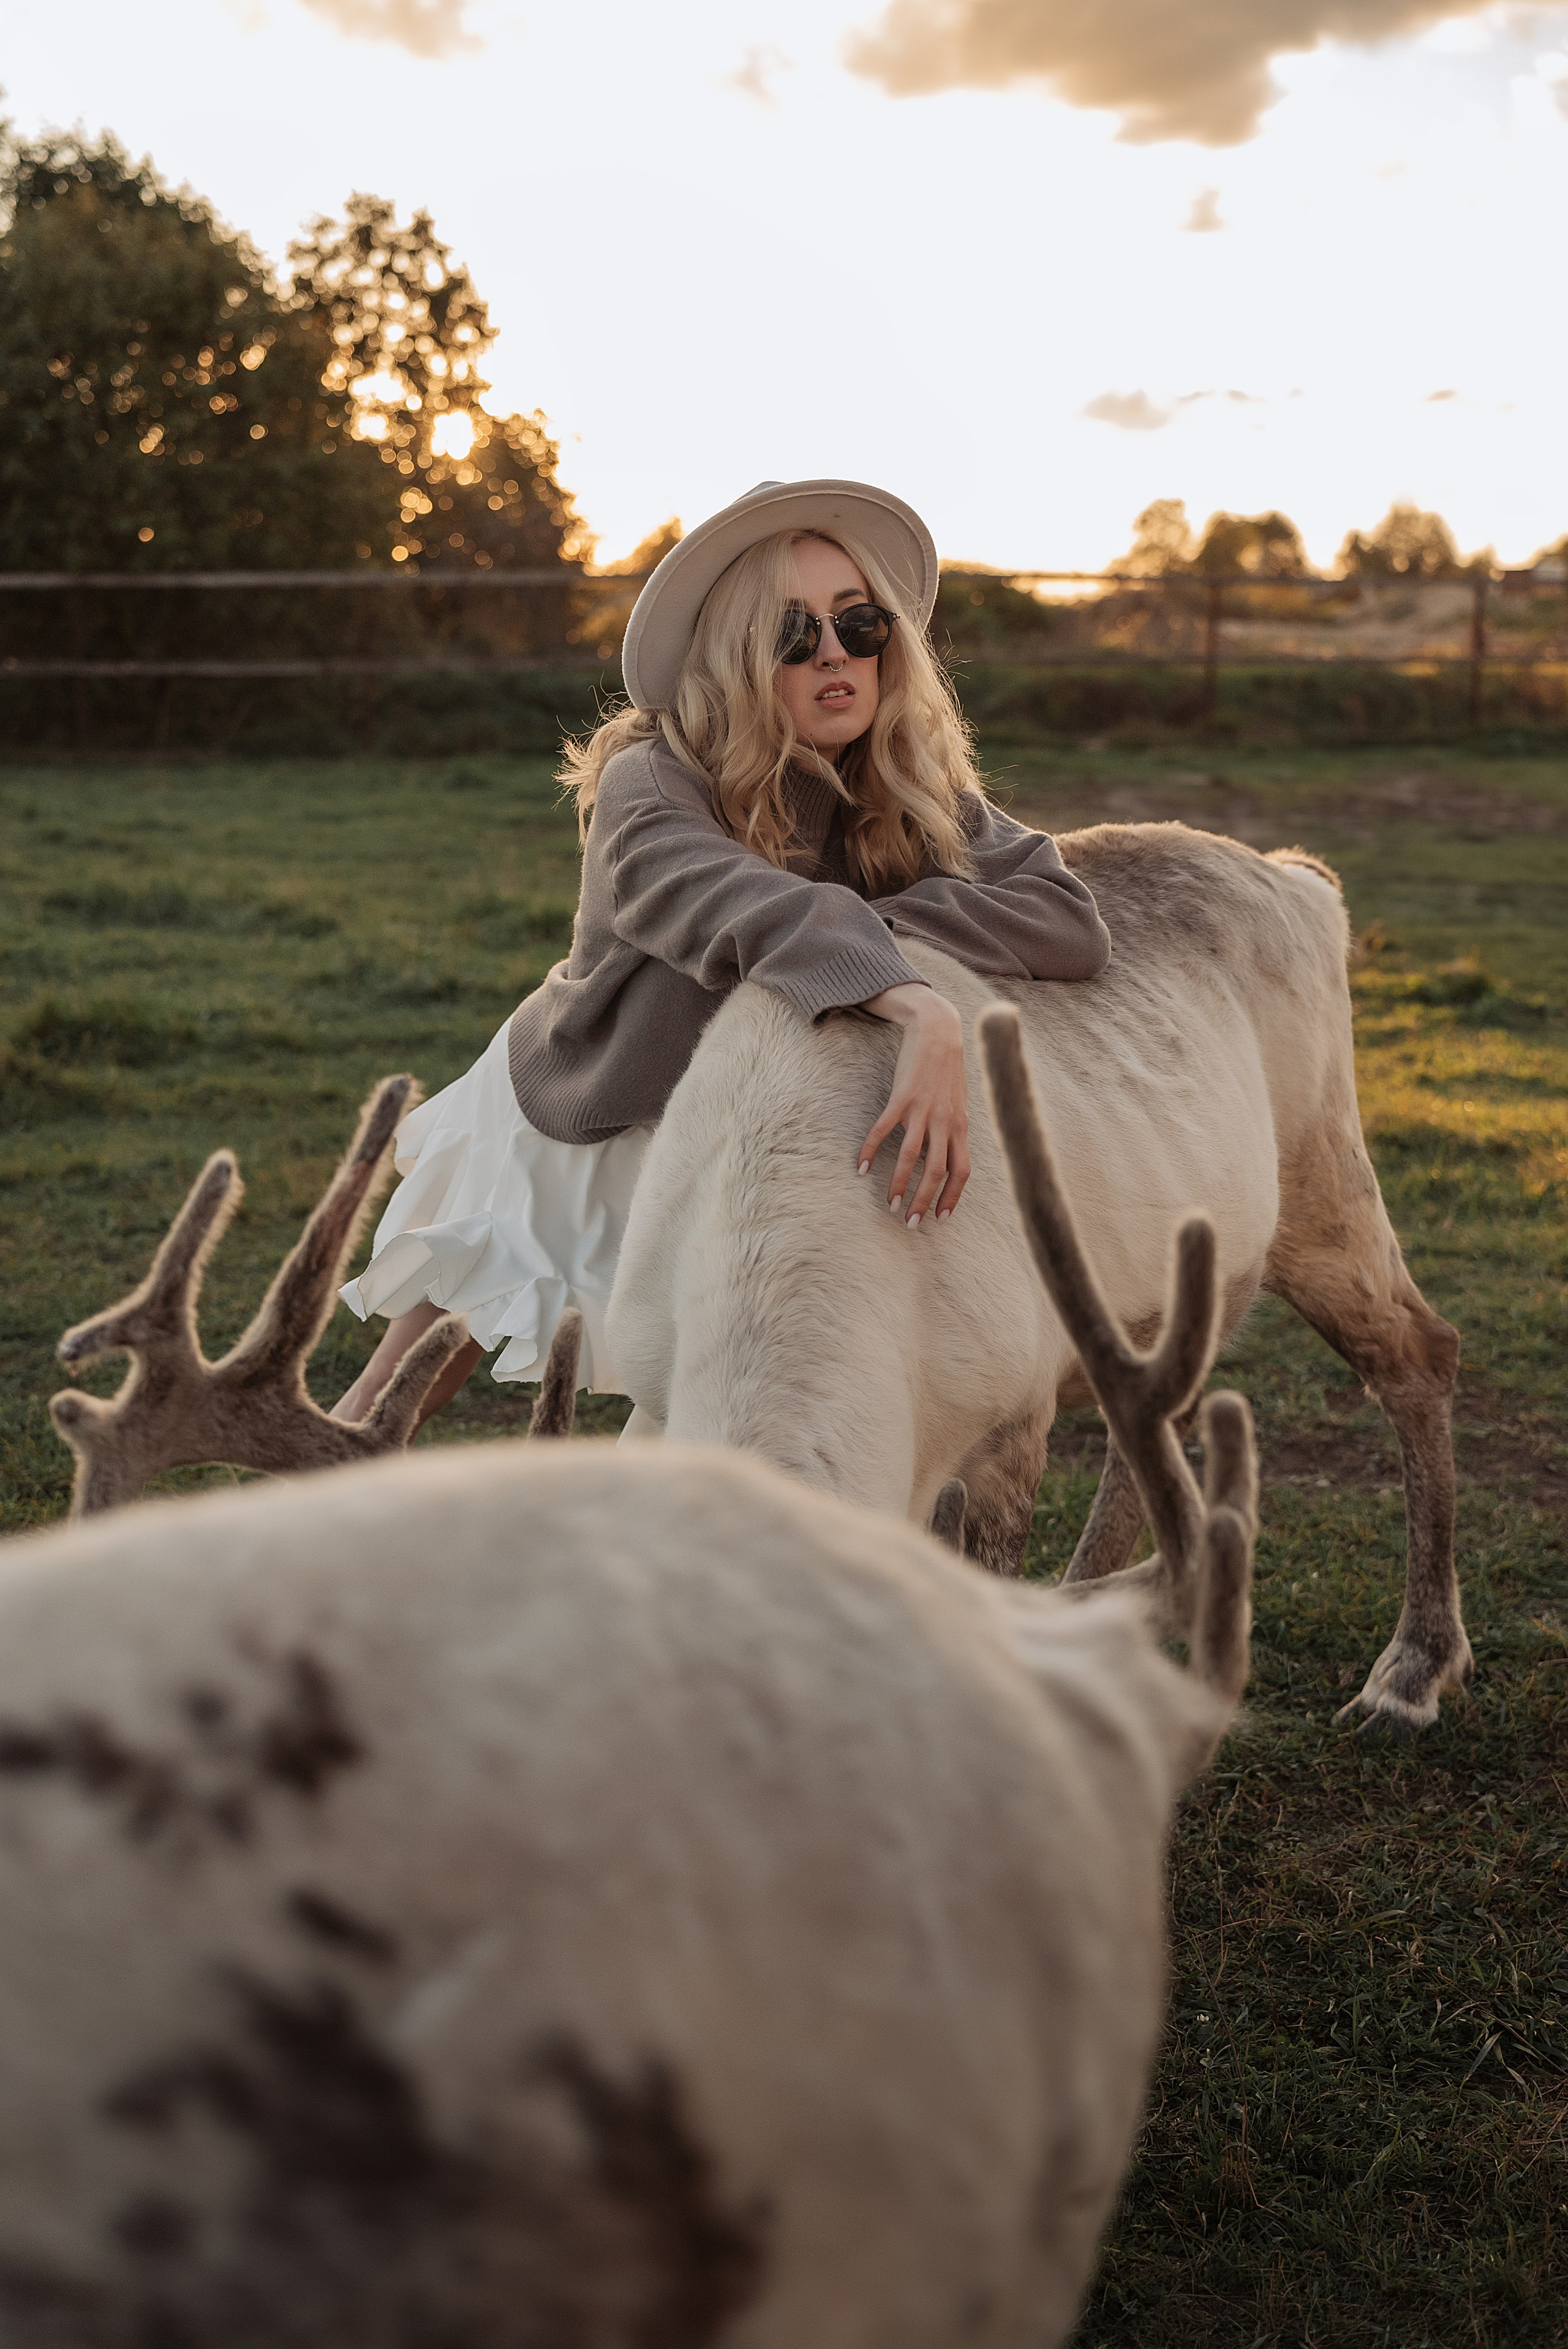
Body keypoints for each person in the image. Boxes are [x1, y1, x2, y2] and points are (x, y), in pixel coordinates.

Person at [333, 478, 1110, 1427]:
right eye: (794, 634)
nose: (835, 653)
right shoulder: (651, 780)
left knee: (710, 1409)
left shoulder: (905, 785)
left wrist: (888, 934)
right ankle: (285, 1545)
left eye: (858, 624)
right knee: (392, 1401)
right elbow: (732, 904)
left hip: (737, 1128)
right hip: (590, 1116)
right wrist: (913, 998)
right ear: (740, 658)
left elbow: (1064, 913)